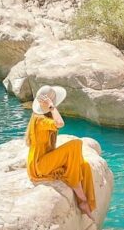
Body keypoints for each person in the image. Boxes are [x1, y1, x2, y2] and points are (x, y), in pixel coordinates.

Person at [25, 85, 96, 220]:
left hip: (45, 160)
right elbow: (60, 123)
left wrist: (50, 108)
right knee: (76, 143)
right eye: (53, 102)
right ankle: (81, 197)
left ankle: (85, 205)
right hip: (39, 166)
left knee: (84, 166)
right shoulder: (40, 120)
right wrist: (52, 107)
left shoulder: (43, 117)